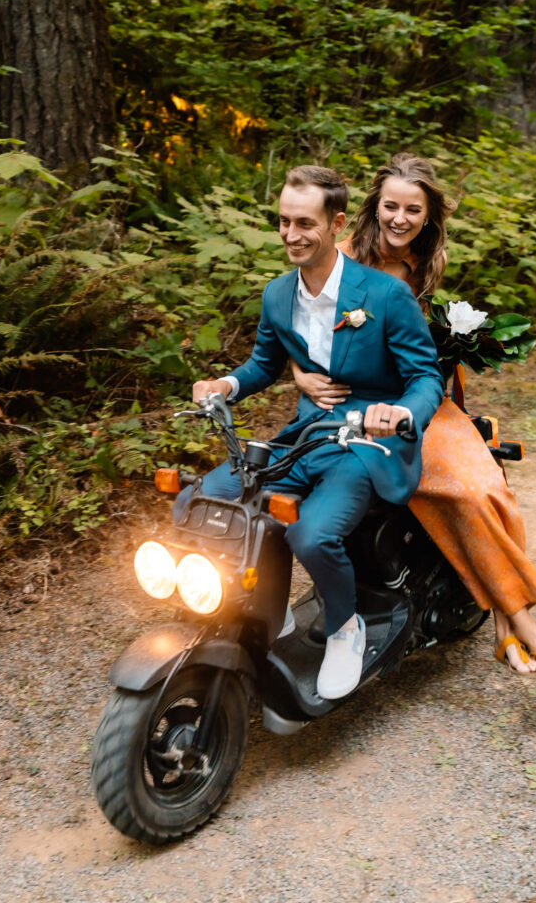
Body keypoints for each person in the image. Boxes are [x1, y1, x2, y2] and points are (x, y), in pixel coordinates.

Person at [291, 153, 536, 704]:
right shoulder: (338, 257)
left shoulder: (425, 262)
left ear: (428, 216)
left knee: (483, 486)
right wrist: (299, 373)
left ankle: (507, 622)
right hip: (355, 404)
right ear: (375, 206)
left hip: (415, 400)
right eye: (391, 206)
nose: (399, 219)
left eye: (413, 210)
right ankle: (523, 628)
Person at [178, 165, 444, 700]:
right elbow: (263, 364)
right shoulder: (278, 294)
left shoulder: (385, 294)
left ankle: (346, 626)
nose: (291, 235)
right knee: (198, 499)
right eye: (284, 221)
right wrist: (224, 385)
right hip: (307, 433)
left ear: (336, 223)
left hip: (366, 444)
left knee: (311, 533)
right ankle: (264, 606)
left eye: (305, 223)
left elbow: (425, 377)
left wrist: (399, 413)